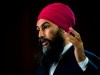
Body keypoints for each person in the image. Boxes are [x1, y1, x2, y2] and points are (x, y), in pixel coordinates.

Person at [35, 2, 100, 75]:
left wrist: (82, 61)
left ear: (63, 28)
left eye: (46, 27)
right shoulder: (44, 63)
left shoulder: (87, 59)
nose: (40, 35)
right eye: (38, 29)